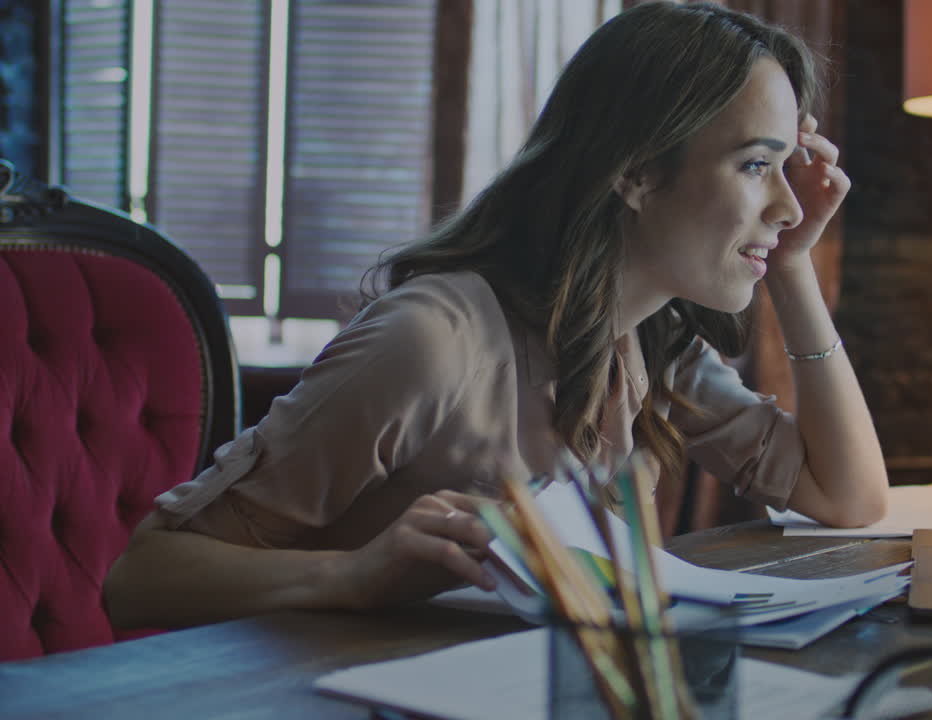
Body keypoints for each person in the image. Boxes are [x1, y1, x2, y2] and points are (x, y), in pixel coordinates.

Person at [104, 1, 888, 629]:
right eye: (756, 165)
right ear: (637, 174)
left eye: (785, 167)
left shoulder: (651, 337)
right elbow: (142, 578)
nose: (790, 205)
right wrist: (356, 574)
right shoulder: (430, 342)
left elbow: (847, 497)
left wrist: (791, 266)